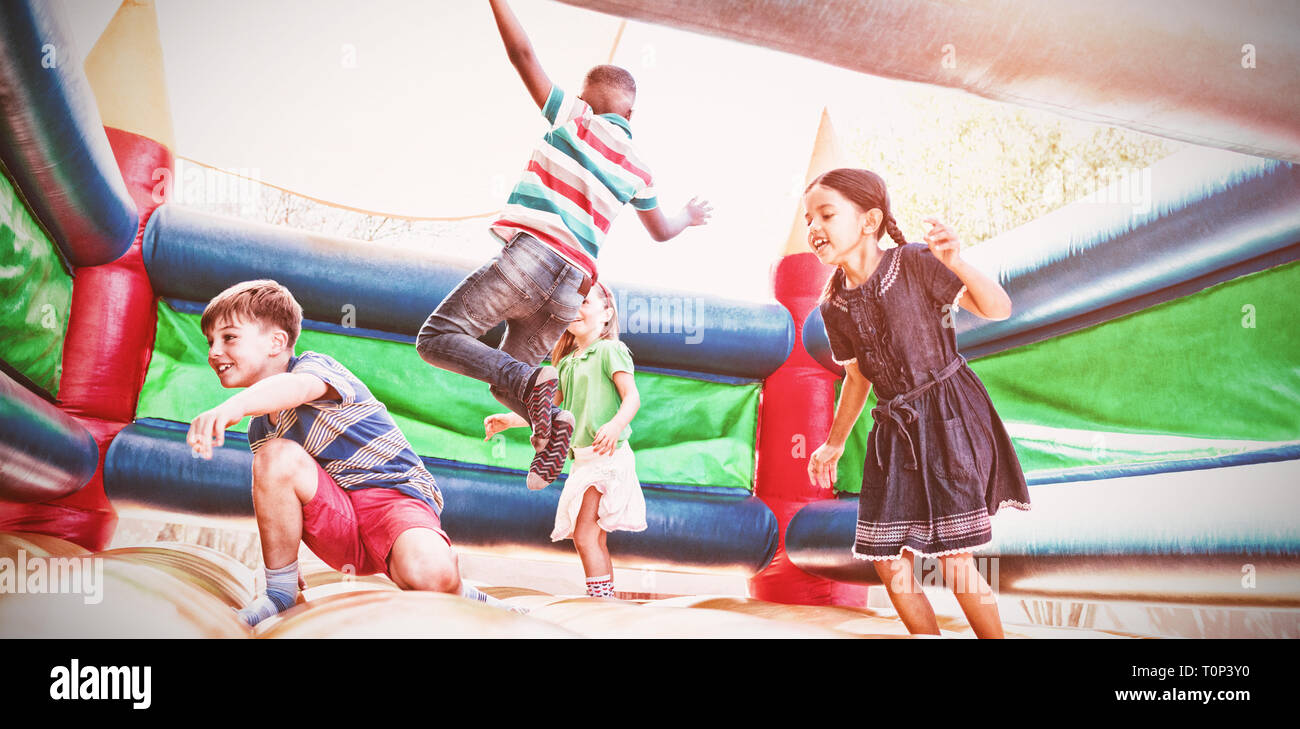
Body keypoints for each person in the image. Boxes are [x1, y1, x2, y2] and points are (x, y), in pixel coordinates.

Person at [417, 0, 711, 492]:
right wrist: (688, 216)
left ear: (585, 100)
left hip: (531, 260)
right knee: (507, 376)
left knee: (438, 338)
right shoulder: (639, 168)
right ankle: (554, 425)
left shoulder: (576, 117)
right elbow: (661, 230)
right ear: (631, 113)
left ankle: (537, 396)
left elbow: (523, 56)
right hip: (572, 287)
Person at [187, 280, 508, 626]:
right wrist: (284, 565)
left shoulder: (313, 370)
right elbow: (278, 496)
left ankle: (463, 593)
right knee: (274, 457)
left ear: (277, 342)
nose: (214, 352)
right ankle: (279, 594)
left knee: (429, 576)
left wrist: (234, 407)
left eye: (229, 337)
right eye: (210, 342)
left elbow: (293, 389)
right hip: (338, 523)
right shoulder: (262, 429)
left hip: (392, 500)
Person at [803, 169, 1031, 638]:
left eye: (826, 214)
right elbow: (857, 375)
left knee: (953, 557)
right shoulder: (834, 307)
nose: (814, 227)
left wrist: (957, 261)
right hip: (896, 432)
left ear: (870, 221)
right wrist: (834, 443)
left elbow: (998, 308)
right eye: (809, 218)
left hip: (949, 414)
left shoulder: (915, 262)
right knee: (887, 560)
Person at [483, 282, 645, 599]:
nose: (577, 308)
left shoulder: (610, 350)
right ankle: (606, 598)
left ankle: (601, 600)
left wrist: (614, 425)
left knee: (586, 534)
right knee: (590, 536)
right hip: (583, 460)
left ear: (607, 313)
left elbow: (632, 398)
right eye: (573, 303)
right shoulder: (567, 363)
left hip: (607, 458)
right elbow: (552, 410)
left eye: (585, 302)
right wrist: (509, 421)